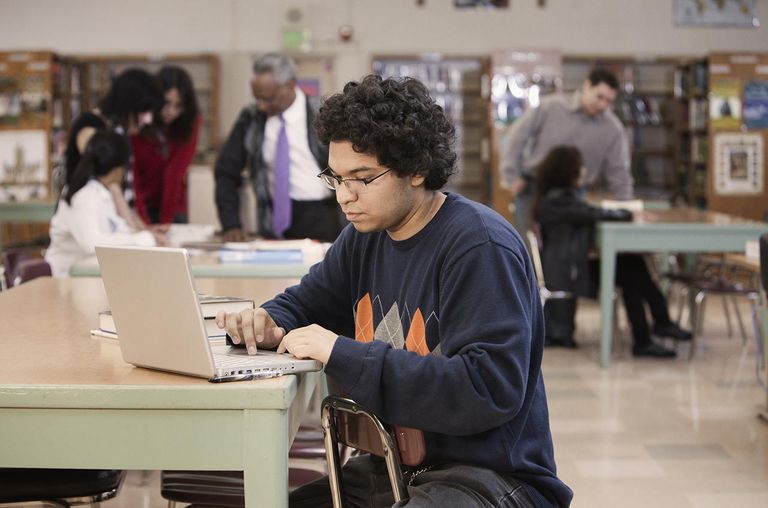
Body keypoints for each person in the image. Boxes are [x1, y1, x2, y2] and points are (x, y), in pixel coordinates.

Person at [216, 75, 572, 508]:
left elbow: (488, 389)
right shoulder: (364, 236)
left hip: (488, 477)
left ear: (416, 169)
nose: (345, 197)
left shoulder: (479, 246)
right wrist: (268, 322)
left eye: (363, 178)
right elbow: (303, 303)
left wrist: (341, 352)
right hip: (394, 469)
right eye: (337, 177)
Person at [531, 145, 691, 357]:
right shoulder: (558, 201)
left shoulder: (554, 198)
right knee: (630, 268)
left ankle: (650, 332)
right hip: (567, 271)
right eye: (580, 167)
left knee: (629, 266)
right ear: (568, 172)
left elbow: (589, 212)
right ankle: (653, 330)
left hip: (569, 265)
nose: (584, 172)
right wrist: (631, 215)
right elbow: (592, 212)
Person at [214, 53, 344, 243]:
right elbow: (225, 171)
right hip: (272, 219)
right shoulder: (250, 118)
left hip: (324, 216)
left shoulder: (323, 114)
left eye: (269, 99)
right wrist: (231, 224)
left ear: (290, 85)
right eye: (257, 99)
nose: (262, 106)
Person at [502, 67, 632, 234]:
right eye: (599, 97)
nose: (602, 105)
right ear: (587, 86)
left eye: (608, 101)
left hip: (574, 197)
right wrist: (511, 175)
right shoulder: (551, 107)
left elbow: (619, 171)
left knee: (566, 252)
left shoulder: (613, 128)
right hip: (533, 190)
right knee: (528, 249)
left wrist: (626, 210)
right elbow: (516, 137)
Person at [46, 130, 164, 277]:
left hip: (89, 276)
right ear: (117, 170)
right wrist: (142, 240)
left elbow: (117, 228)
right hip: (65, 278)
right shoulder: (84, 195)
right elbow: (92, 243)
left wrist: (146, 236)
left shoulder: (101, 192)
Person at [63, 68, 164, 230]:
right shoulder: (91, 125)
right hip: (85, 225)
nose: (147, 120)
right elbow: (112, 185)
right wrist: (141, 235)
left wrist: (145, 231)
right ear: (130, 105)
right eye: (144, 111)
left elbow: (126, 199)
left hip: (107, 227)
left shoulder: (120, 133)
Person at [131, 65, 200, 224]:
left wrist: (166, 222)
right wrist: (145, 223)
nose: (172, 112)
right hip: (140, 207)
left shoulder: (190, 123)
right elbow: (134, 177)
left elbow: (175, 173)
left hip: (173, 208)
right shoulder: (139, 122)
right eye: (167, 103)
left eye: (179, 106)